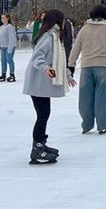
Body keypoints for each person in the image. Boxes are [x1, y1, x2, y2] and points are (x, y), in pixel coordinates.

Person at [22, 9, 76, 164]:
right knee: (42, 115)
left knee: (44, 114)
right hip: (38, 82)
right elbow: (37, 57)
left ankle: (41, 144)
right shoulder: (48, 37)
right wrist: (45, 68)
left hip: (42, 83)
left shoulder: (55, 36)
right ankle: (37, 149)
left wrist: (67, 76)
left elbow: (59, 61)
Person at [68, 4, 106, 136]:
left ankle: (86, 124)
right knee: (103, 97)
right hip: (103, 66)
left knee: (85, 97)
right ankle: (102, 125)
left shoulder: (85, 29)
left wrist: (71, 64)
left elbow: (76, 48)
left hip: (86, 66)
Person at [0, 13, 18, 82]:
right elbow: (1, 38)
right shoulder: (1, 27)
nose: (2, 19)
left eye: (3, 18)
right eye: (1, 18)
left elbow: (12, 38)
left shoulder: (10, 27)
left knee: (9, 60)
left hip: (9, 46)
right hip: (3, 46)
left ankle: (12, 75)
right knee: (3, 60)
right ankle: (3, 74)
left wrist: (10, 48)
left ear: (7, 18)